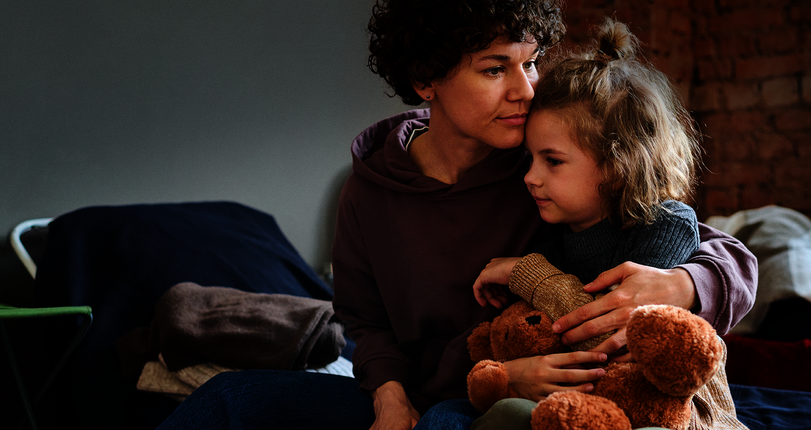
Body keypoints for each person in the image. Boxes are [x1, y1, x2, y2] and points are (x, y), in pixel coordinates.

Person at [156, 1, 756, 429]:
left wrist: (682, 284)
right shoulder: (368, 191)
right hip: (426, 393)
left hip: (508, 398)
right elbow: (366, 324)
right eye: (495, 69)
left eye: (533, 62)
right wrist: (389, 397)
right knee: (229, 398)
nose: (525, 89)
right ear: (426, 79)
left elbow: (706, 245)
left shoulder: (546, 165)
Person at [468, 18, 748, 430]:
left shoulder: (664, 223)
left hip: (678, 413)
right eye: (531, 159)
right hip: (595, 404)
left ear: (618, 167)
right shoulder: (557, 240)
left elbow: (615, 335)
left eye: (553, 161)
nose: (531, 177)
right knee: (505, 416)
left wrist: (524, 272)